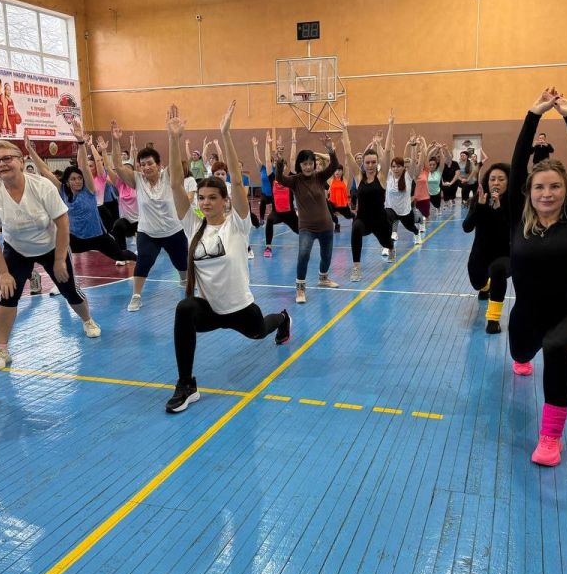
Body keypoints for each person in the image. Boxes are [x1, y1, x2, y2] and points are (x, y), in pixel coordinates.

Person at [164, 102, 290, 413]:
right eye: (201, 198)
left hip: (239, 308)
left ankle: (283, 319)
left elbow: (236, 177)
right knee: (184, 309)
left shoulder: (237, 224)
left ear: (224, 200)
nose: (205, 203)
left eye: (212, 198)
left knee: (260, 330)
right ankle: (186, 384)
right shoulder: (193, 225)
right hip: (209, 309)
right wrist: (174, 139)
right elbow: (175, 184)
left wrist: (226, 134)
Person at [508, 87, 567, 467]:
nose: (547, 193)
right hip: (525, 318)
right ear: (529, 192)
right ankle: (522, 358)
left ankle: (550, 438)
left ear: (565, 190)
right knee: (521, 353)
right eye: (540, 187)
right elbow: (517, 166)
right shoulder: (517, 220)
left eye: (555, 186)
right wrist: (533, 115)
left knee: (555, 346)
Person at [0, 140, 102, 372]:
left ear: (20, 160)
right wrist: (3, 273)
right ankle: (2, 349)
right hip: (16, 249)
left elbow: (63, 223)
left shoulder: (42, 186)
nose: (2, 164)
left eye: (7, 158)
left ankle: (88, 320)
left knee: (69, 289)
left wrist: (59, 260)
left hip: (51, 245)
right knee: (7, 295)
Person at [107, 122, 188, 312]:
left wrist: (174, 138)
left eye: (150, 163)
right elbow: (118, 166)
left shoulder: (169, 176)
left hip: (173, 231)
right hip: (148, 233)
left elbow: (176, 163)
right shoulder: (137, 180)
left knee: (182, 264)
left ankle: (185, 282)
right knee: (144, 260)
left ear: (159, 165)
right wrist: (116, 142)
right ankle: (136, 296)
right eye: (142, 164)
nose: (146, 167)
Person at [29, 126, 137, 265]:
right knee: (54, 250)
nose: (78, 181)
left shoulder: (89, 190)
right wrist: (30, 150)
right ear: (67, 182)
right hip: (76, 238)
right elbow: (45, 170)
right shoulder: (63, 190)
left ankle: (139, 260)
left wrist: (81, 143)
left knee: (120, 256)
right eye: (73, 179)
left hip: (97, 236)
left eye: (80, 178)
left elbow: (84, 166)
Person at [276, 131, 341, 303]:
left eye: (310, 163)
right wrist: (279, 161)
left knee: (327, 256)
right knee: (303, 255)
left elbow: (334, 166)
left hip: (326, 226)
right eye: (305, 164)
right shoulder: (295, 180)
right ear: (300, 165)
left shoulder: (319, 177)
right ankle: (300, 288)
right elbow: (279, 178)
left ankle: (323, 278)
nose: (308, 167)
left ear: (314, 164)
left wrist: (330, 150)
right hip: (307, 228)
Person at [341, 116, 395, 282]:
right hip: (363, 220)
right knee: (355, 228)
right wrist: (344, 129)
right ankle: (356, 268)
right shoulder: (358, 177)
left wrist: (391, 125)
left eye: (373, 162)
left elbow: (387, 152)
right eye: (367, 162)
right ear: (363, 164)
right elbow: (348, 153)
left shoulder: (382, 176)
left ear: (377, 163)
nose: (370, 165)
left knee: (386, 243)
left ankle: (391, 247)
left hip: (380, 221)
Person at [462, 163, 512, 333]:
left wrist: (499, 210)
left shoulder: (514, 202)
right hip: (481, 252)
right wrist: (480, 207)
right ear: (487, 182)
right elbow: (466, 227)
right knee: (477, 282)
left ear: (508, 182)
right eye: (492, 179)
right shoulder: (480, 198)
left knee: (497, 270)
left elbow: (508, 233)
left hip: (505, 254)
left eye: (501, 179)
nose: (496, 183)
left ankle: (493, 320)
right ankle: (485, 287)